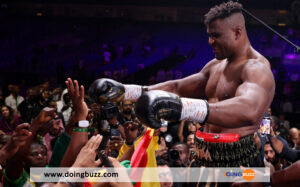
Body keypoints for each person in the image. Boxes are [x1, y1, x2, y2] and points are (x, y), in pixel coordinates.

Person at [88, 1, 275, 167]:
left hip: (240, 165)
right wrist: (126, 91)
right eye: (209, 35)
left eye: (216, 35)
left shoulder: (257, 68)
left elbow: (249, 109)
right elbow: (177, 87)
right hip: (204, 160)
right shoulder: (215, 66)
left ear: (237, 32)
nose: (210, 42)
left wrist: (181, 108)